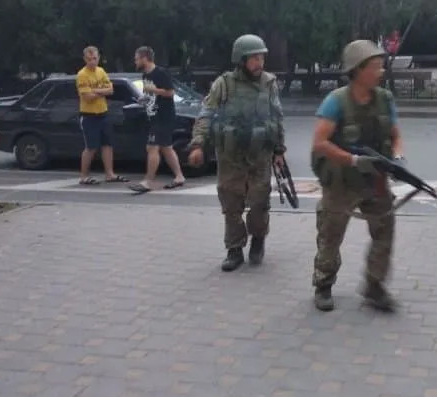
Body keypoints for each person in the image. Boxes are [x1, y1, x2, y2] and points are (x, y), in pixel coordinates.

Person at [310, 39, 404, 313]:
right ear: (358, 69)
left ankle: (374, 285)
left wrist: (398, 159)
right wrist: (352, 160)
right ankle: (323, 284)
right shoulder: (336, 101)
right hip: (342, 182)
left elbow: (396, 135)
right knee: (331, 234)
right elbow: (320, 143)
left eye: (381, 66)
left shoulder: (384, 99)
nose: (380, 71)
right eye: (375, 66)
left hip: (375, 180)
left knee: (385, 229)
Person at [187, 34, 286, 272]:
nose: (259, 62)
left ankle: (258, 239)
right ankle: (234, 249)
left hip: (259, 156)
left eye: (261, 57)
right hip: (230, 157)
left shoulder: (269, 83)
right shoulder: (224, 84)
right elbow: (206, 114)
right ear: (241, 59)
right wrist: (198, 144)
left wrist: (279, 151)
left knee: (259, 203)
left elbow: (277, 118)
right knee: (231, 205)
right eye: (254, 58)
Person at [129, 46, 186, 194]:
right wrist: (143, 98)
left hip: (164, 116)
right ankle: (179, 176)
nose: (135, 62)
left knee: (152, 147)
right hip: (153, 115)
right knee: (166, 147)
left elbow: (170, 92)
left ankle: (148, 181)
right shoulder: (145, 75)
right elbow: (150, 95)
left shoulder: (160, 73)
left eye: (137, 59)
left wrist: (153, 90)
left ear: (144, 58)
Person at [75, 46, 128, 185]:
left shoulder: (101, 71)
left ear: (98, 57)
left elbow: (111, 90)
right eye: (89, 59)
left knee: (107, 145)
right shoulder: (82, 74)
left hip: (103, 113)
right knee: (91, 147)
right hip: (89, 115)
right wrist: (102, 91)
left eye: (94, 58)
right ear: (84, 59)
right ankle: (84, 176)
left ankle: (109, 174)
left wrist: (96, 90)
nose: (92, 61)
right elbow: (87, 97)